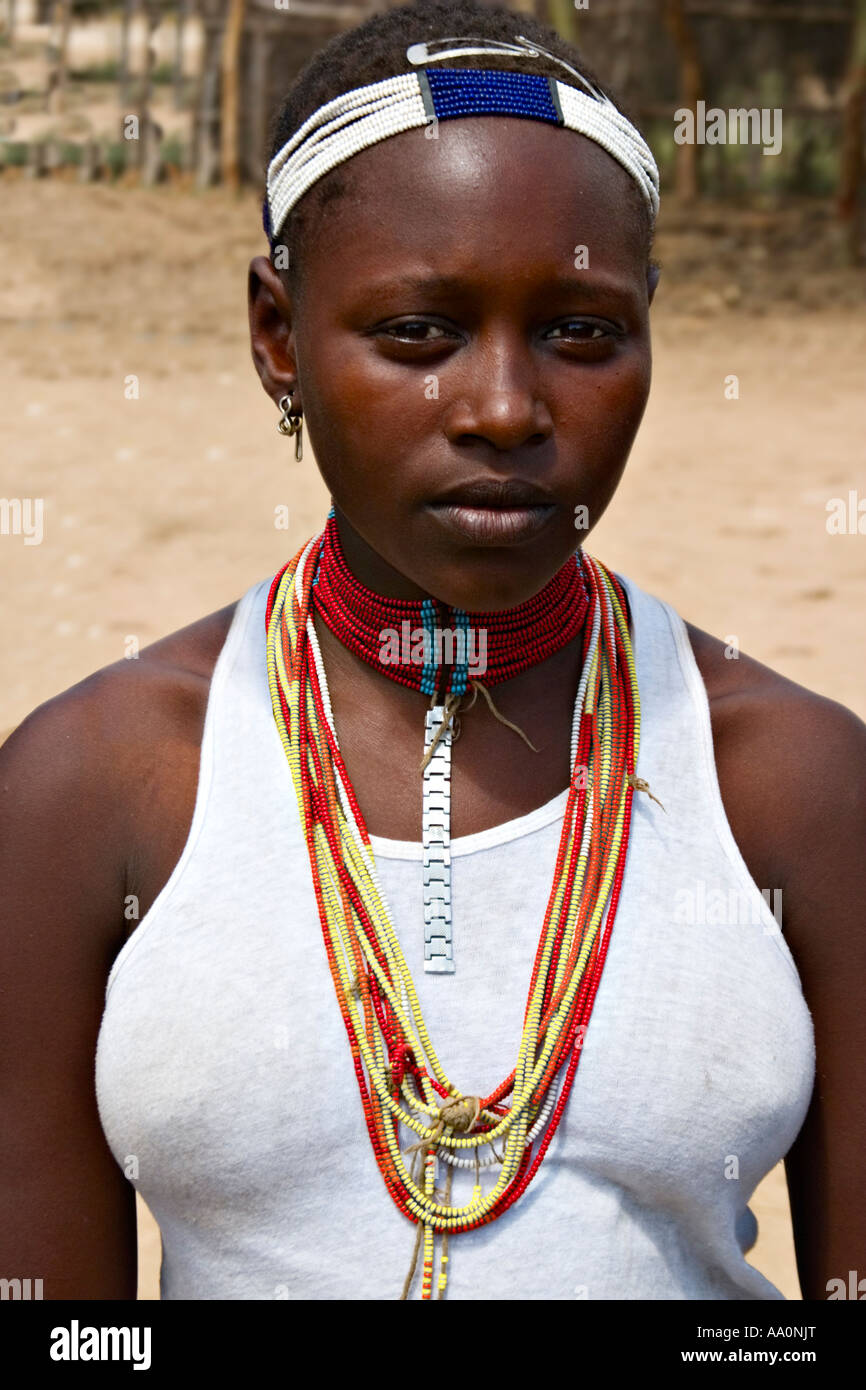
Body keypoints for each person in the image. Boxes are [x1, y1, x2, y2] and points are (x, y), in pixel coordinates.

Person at [1, 0, 864, 1303]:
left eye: (580, 330)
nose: (505, 407)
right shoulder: (96, 787)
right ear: (277, 337)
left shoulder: (789, 781)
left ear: (647, 326)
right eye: (418, 333)